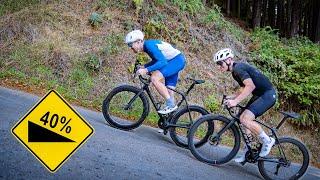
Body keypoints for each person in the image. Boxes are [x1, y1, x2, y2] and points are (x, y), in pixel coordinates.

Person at [213, 48, 277, 162]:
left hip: (267, 95)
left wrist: (235, 102)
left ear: (228, 60)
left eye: (220, 63)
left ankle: (267, 140)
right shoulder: (235, 72)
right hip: (259, 95)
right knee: (243, 120)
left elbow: (250, 86)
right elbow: (243, 88)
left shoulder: (238, 68)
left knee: (245, 119)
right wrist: (231, 97)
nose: (218, 66)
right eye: (217, 64)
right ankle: (250, 150)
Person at [125, 30, 186, 114]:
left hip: (175, 61)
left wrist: (146, 70)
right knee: (169, 91)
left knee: (154, 78)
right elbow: (157, 60)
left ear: (139, 41)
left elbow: (162, 62)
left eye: (130, 44)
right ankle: (172, 119)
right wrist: (145, 66)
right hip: (174, 60)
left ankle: (171, 105)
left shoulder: (149, 45)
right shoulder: (147, 46)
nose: (130, 47)